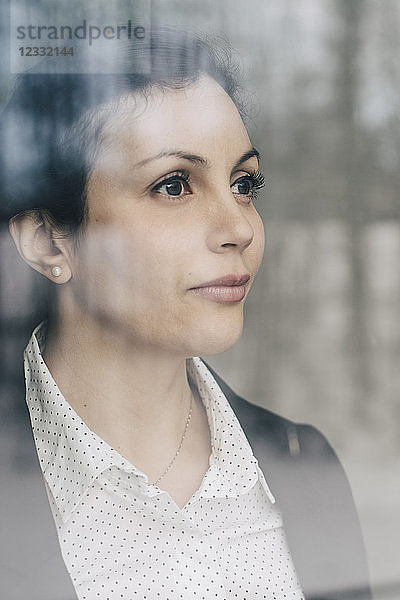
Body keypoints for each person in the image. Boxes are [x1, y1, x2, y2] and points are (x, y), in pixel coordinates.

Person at [0, 28, 371, 600]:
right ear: (50, 241)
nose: (240, 228)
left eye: (244, 183)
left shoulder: (305, 467)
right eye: (174, 186)